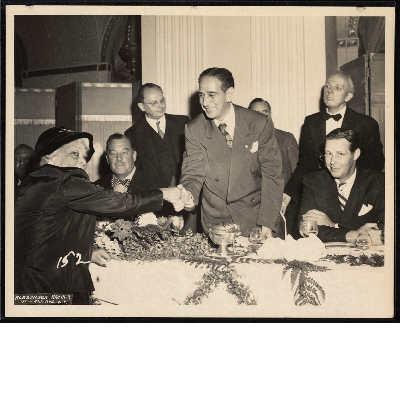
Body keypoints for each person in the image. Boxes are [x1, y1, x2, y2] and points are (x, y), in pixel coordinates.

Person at [14, 127, 181, 304]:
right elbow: (120, 203)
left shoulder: (34, 182)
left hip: (30, 284)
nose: (82, 162)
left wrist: (86, 253)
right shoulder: (62, 181)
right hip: (46, 286)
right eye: (74, 154)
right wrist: (166, 193)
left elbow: (47, 237)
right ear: (50, 157)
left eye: (84, 156)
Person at [176, 67, 284, 237]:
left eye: (212, 95)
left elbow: (272, 175)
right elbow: (193, 173)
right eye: (201, 95)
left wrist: (267, 222)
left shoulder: (258, 123)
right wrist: (188, 194)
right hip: (216, 221)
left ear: (229, 94)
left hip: (255, 217)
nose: (205, 102)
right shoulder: (194, 129)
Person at [282, 71, 384, 215]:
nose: (330, 91)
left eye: (338, 87)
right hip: (319, 193)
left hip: (353, 194)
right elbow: (304, 163)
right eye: (328, 86)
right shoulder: (311, 122)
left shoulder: (366, 124)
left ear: (348, 96)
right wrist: (289, 192)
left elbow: (376, 164)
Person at [124, 83, 197, 231]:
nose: (160, 105)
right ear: (141, 106)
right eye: (153, 103)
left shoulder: (183, 122)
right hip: (157, 208)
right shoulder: (132, 134)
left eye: (162, 100)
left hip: (187, 202)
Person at [300, 128, 384, 244]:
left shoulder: (378, 182)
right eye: (328, 154)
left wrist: (334, 226)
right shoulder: (313, 181)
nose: (332, 161)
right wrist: (354, 235)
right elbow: (307, 229)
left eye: (340, 154)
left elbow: (383, 231)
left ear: (356, 154)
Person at [248, 98, 298, 186]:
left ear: (270, 114)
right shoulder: (244, 141)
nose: (261, 116)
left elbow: (297, 173)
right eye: (256, 112)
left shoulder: (286, 138)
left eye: (265, 112)